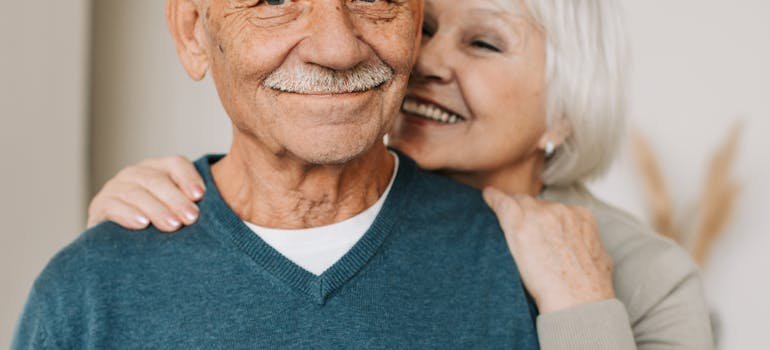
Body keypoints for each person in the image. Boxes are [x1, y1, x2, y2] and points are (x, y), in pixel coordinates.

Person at [85, 0, 716, 349]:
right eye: (427, 28)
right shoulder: (316, 212)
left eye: (485, 44)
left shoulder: (648, 276)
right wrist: (134, 247)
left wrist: (582, 307)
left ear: (566, 109)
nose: (426, 61)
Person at [12, 0, 544, 349]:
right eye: (273, 1)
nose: (337, 48)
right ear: (193, 31)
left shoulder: (528, 267)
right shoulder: (89, 288)